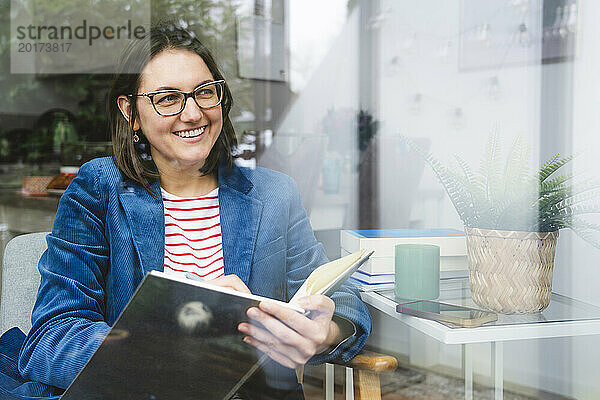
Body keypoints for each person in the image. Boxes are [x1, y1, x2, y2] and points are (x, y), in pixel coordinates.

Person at [7, 24, 371, 399]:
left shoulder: (274, 193)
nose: (194, 113)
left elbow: (342, 301)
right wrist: (176, 333)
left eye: (204, 93)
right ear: (131, 111)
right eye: (167, 99)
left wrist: (327, 332)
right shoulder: (99, 189)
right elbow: (53, 337)